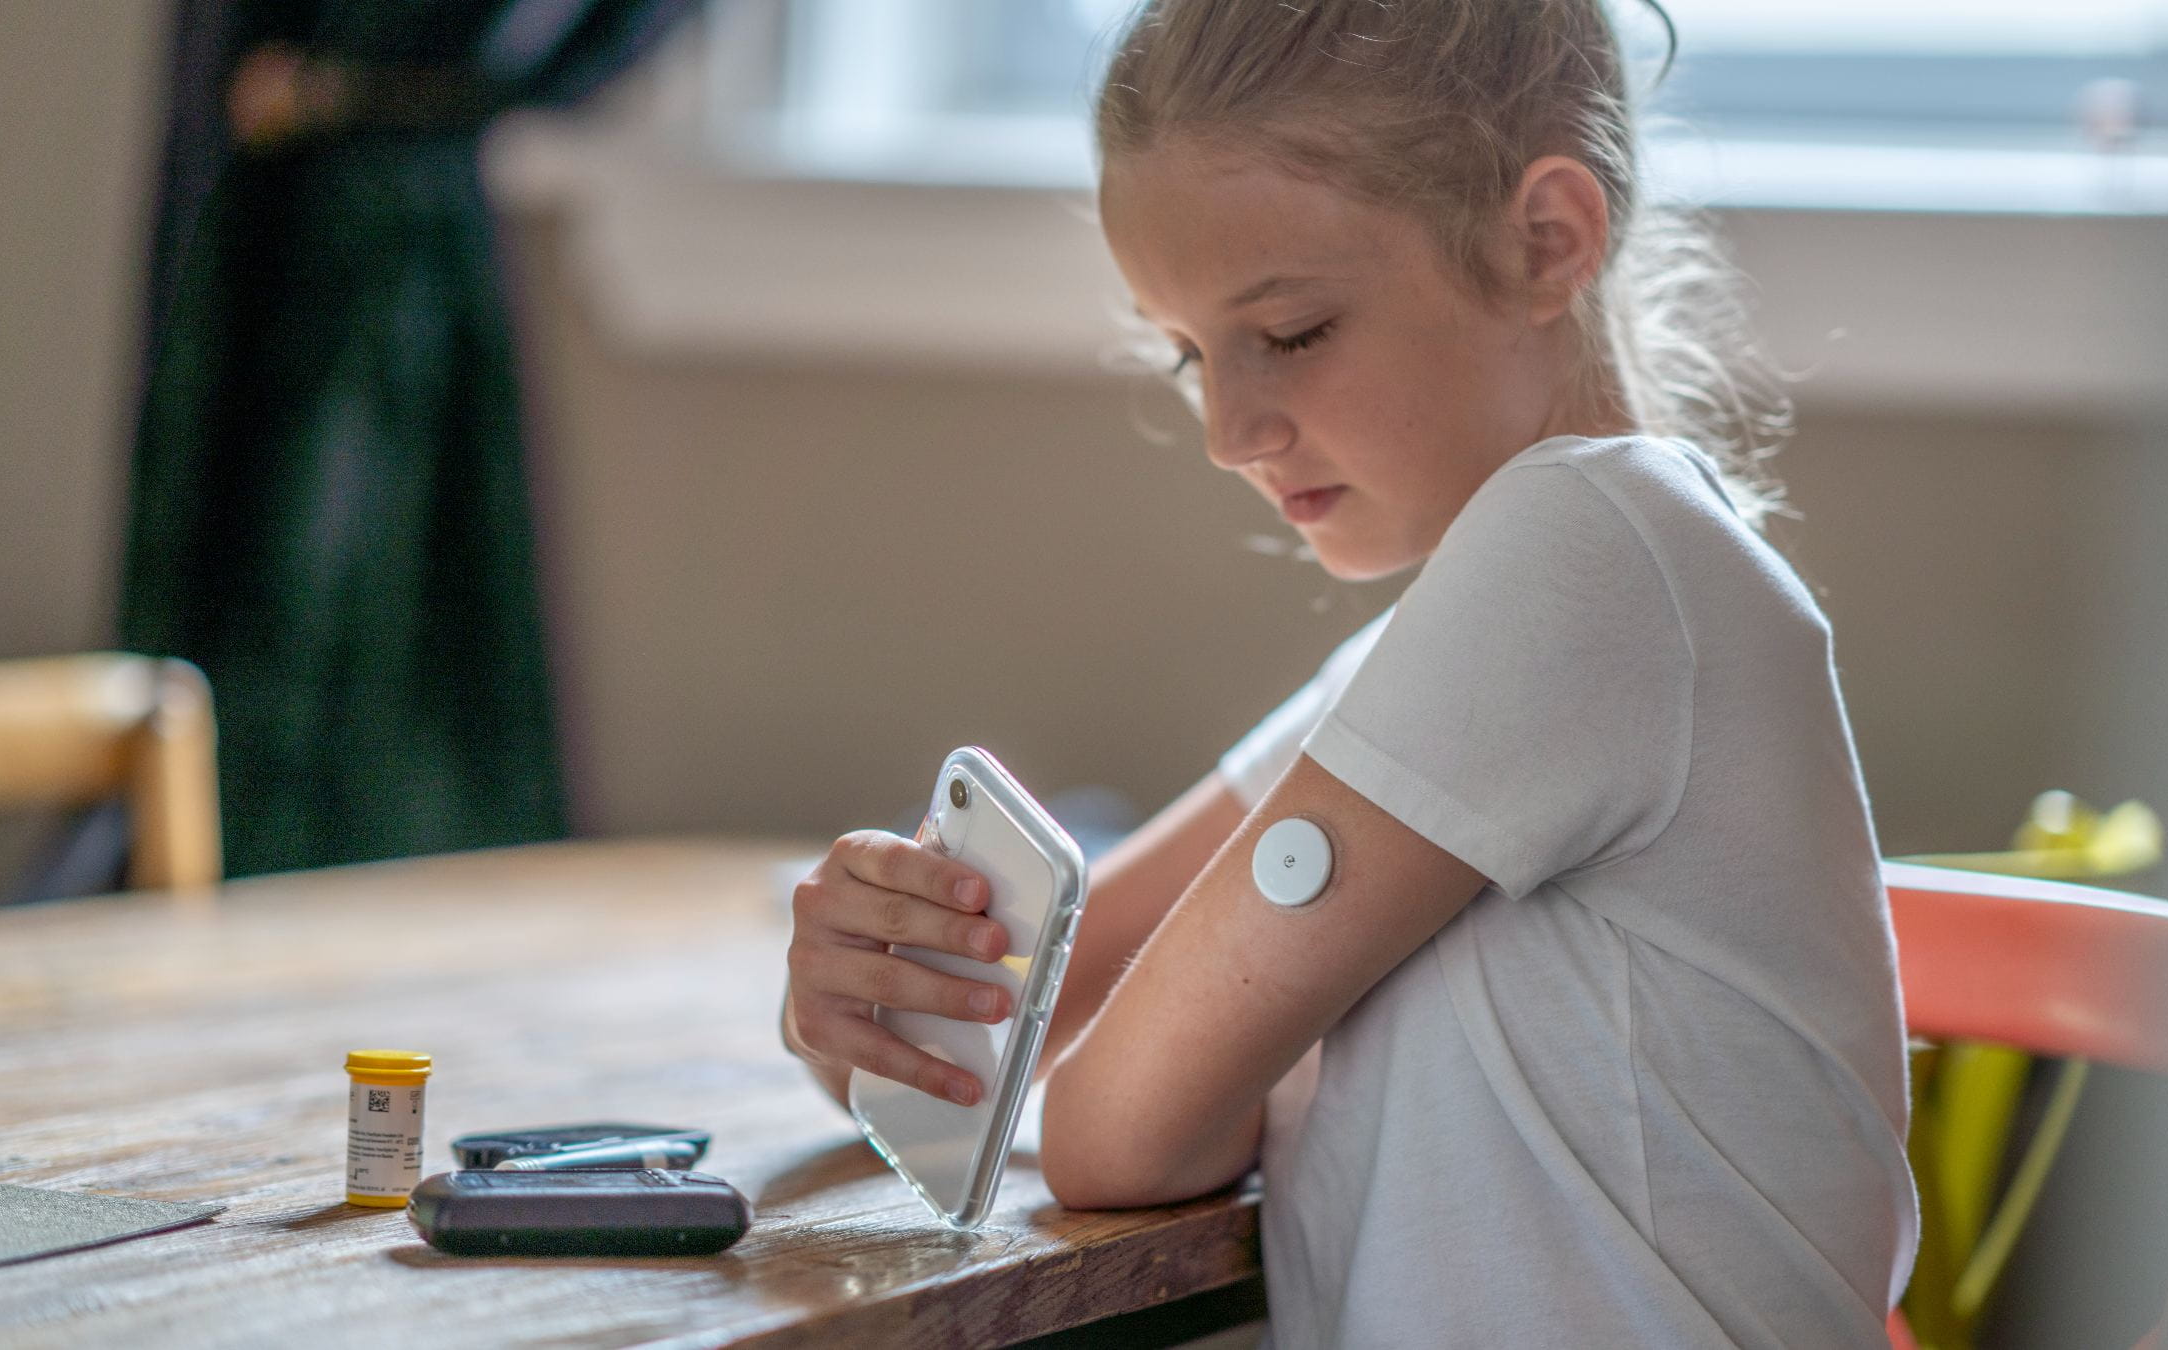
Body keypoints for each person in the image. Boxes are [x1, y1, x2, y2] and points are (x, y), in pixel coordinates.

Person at [779, 1, 1916, 1343]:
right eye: (1191, 352)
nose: (1227, 429)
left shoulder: (1588, 550)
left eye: (1295, 331)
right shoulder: (1438, 648)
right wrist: (863, 1010)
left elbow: (1112, 1131)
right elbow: (1045, 993)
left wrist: (1128, 1057)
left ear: (1546, 238)